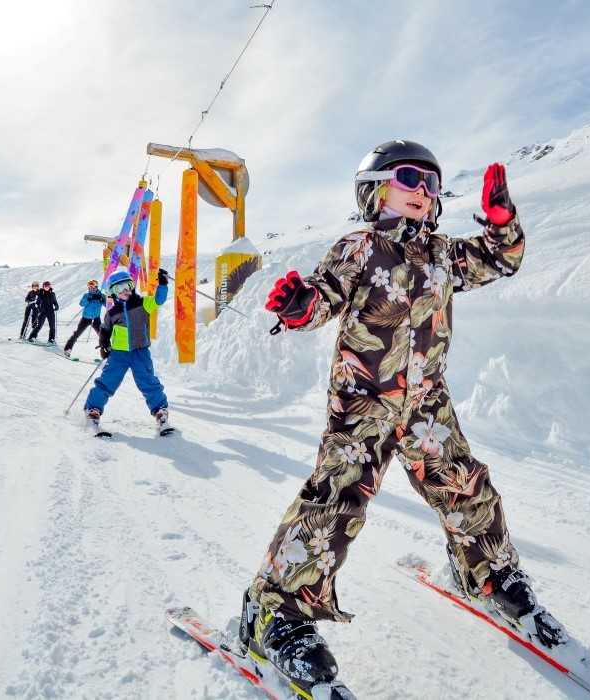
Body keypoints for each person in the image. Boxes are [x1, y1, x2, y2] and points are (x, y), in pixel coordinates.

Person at [237, 140, 565, 691]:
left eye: (433, 184)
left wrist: (502, 222)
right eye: (410, 177)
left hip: (427, 401)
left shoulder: (443, 254)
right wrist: (300, 307)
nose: (423, 191)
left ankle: (486, 572)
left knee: (464, 484)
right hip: (363, 400)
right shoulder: (358, 248)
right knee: (337, 500)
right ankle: (275, 613)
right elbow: (324, 296)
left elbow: (499, 260)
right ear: (375, 189)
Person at [83, 269, 171, 432]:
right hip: (119, 354)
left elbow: (159, 299)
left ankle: (160, 410)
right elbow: (105, 329)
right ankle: (93, 409)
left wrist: (163, 284)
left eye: (127, 286)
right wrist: (104, 345)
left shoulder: (143, 304)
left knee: (148, 381)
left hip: (140, 351)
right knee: (108, 381)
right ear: (112, 293)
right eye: (119, 288)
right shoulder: (112, 312)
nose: (124, 291)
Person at [63, 280, 107, 359]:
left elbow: (108, 306)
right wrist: (89, 298)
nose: (91, 288)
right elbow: (81, 304)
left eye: (93, 286)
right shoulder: (86, 295)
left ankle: (107, 352)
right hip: (86, 318)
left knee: (103, 335)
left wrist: (102, 300)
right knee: (77, 333)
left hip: (96, 319)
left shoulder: (101, 295)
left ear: (96, 287)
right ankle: (67, 350)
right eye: (90, 287)